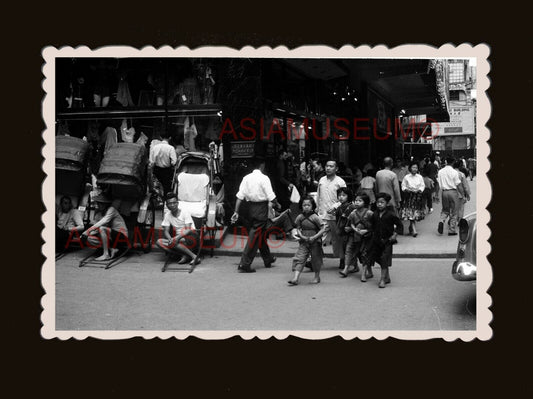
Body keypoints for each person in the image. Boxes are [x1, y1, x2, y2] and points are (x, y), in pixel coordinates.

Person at [231, 157, 279, 273]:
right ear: (262, 165)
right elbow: (271, 196)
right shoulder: (264, 178)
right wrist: (277, 204)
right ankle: (244, 263)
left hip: (248, 208)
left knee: (259, 233)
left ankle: (268, 259)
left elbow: (239, 197)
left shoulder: (246, 178)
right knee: (255, 235)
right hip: (260, 208)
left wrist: (236, 212)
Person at [288, 196, 326, 286]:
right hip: (303, 242)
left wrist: (314, 237)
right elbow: (297, 228)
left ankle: (317, 277)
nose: (306, 207)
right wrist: (301, 236)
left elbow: (323, 229)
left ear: (313, 206)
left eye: (308, 205)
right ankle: (295, 278)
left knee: (316, 259)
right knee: (300, 258)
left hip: (315, 242)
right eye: (304, 205)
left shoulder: (315, 217)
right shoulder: (300, 217)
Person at [156, 193, 200, 265]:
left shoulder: (185, 212)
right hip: (178, 240)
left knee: (175, 242)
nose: (172, 205)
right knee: (159, 242)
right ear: (167, 205)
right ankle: (184, 255)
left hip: (191, 236)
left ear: (177, 203)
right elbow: (166, 231)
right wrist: (170, 239)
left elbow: (188, 229)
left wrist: (176, 238)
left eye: (174, 203)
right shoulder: (167, 215)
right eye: (170, 203)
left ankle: (194, 257)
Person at [81, 194, 128, 261]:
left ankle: (106, 254)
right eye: (98, 203)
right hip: (110, 239)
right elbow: (95, 228)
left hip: (121, 237)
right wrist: (86, 235)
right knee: (88, 238)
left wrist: (87, 231)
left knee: (102, 228)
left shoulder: (112, 210)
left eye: (101, 203)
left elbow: (103, 222)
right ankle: (111, 249)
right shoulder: (98, 214)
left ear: (106, 204)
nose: (98, 205)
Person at [369, 193, 402, 288]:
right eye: (378, 202)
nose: (379, 204)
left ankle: (382, 279)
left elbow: (399, 225)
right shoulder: (374, 214)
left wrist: (395, 235)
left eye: (382, 202)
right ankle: (387, 276)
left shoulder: (391, 214)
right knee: (377, 258)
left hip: (387, 240)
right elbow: (371, 226)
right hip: (376, 240)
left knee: (384, 258)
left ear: (387, 204)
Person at [340, 193, 374, 281]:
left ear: (365, 202)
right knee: (349, 251)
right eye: (356, 201)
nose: (357, 202)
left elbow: (374, 226)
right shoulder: (352, 213)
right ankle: (346, 268)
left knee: (364, 254)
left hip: (366, 237)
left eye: (360, 201)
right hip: (353, 236)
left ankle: (364, 273)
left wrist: (366, 231)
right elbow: (348, 224)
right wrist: (349, 229)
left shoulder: (369, 213)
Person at [317, 160, 347, 257]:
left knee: (337, 238)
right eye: (327, 166)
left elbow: (345, 198)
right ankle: (313, 258)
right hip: (323, 214)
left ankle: (341, 258)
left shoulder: (340, 182)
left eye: (331, 166)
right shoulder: (321, 180)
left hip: (335, 215)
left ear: (336, 169)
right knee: (319, 236)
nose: (328, 168)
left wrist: (335, 207)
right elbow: (318, 195)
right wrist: (317, 207)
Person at [437, 157, 465, 235]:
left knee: (445, 209)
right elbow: (458, 185)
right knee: (454, 211)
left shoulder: (440, 171)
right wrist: (462, 195)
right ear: (453, 163)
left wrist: (436, 194)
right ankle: (451, 230)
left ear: (446, 162)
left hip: (444, 192)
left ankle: (441, 221)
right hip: (453, 192)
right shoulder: (454, 172)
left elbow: (438, 183)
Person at [400, 162, 426, 237]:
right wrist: (407, 190)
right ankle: (414, 230)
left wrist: (419, 190)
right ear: (410, 168)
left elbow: (422, 185)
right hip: (409, 196)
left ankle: (411, 227)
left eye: (416, 168)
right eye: (413, 167)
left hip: (417, 196)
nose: (415, 169)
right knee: (410, 212)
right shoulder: (406, 177)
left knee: (414, 212)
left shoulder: (420, 177)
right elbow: (403, 186)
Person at [334, 187, 355, 270]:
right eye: (339, 195)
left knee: (349, 248)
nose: (341, 197)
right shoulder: (339, 208)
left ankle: (350, 264)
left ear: (348, 196)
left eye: (344, 195)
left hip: (350, 231)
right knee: (343, 247)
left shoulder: (351, 207)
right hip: (342, 231)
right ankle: (343, 262)